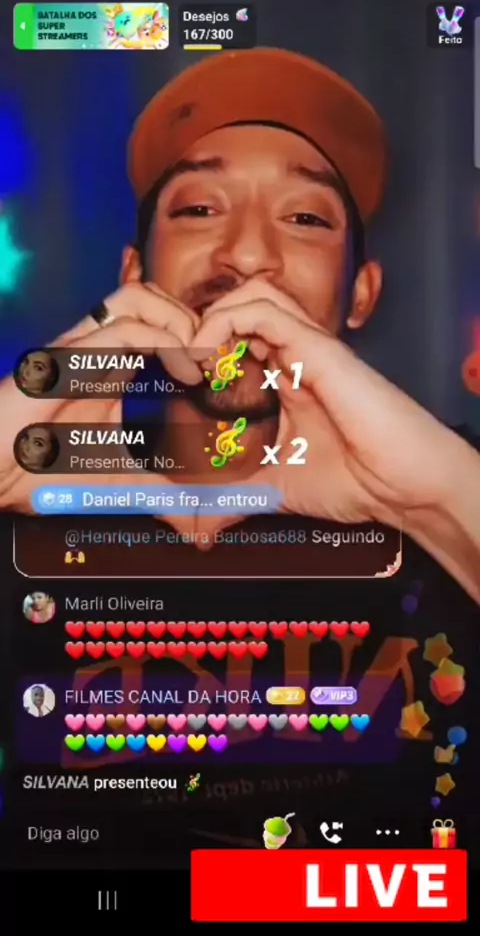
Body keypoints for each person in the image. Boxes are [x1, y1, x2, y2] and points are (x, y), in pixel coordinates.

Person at [0, 47, 479, 607]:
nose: (249, 255)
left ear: (360, 293)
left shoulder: (450, 481)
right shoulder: (31, 487)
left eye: (304, 218)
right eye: (200, 210)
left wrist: (435, 503)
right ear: (134, 276)